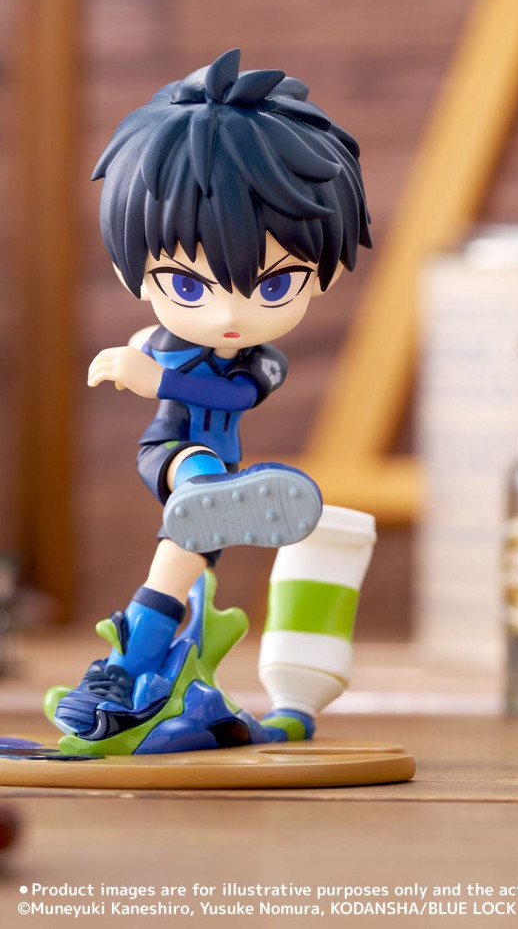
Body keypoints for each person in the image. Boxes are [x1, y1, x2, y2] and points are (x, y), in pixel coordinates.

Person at [53, 48, 371, 744]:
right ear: (131, 272)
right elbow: (162, 365)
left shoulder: (263, 364)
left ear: (324, 275)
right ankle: (130, 661)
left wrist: (154, 378)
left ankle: (154, 678)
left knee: (186, 558)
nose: (230, 312)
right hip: (173, 454)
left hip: (219, 471)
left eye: (274, 283)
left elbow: (231, 400)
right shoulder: (164, 341)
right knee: (194, 489)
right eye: (188, 285)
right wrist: (144, 361)